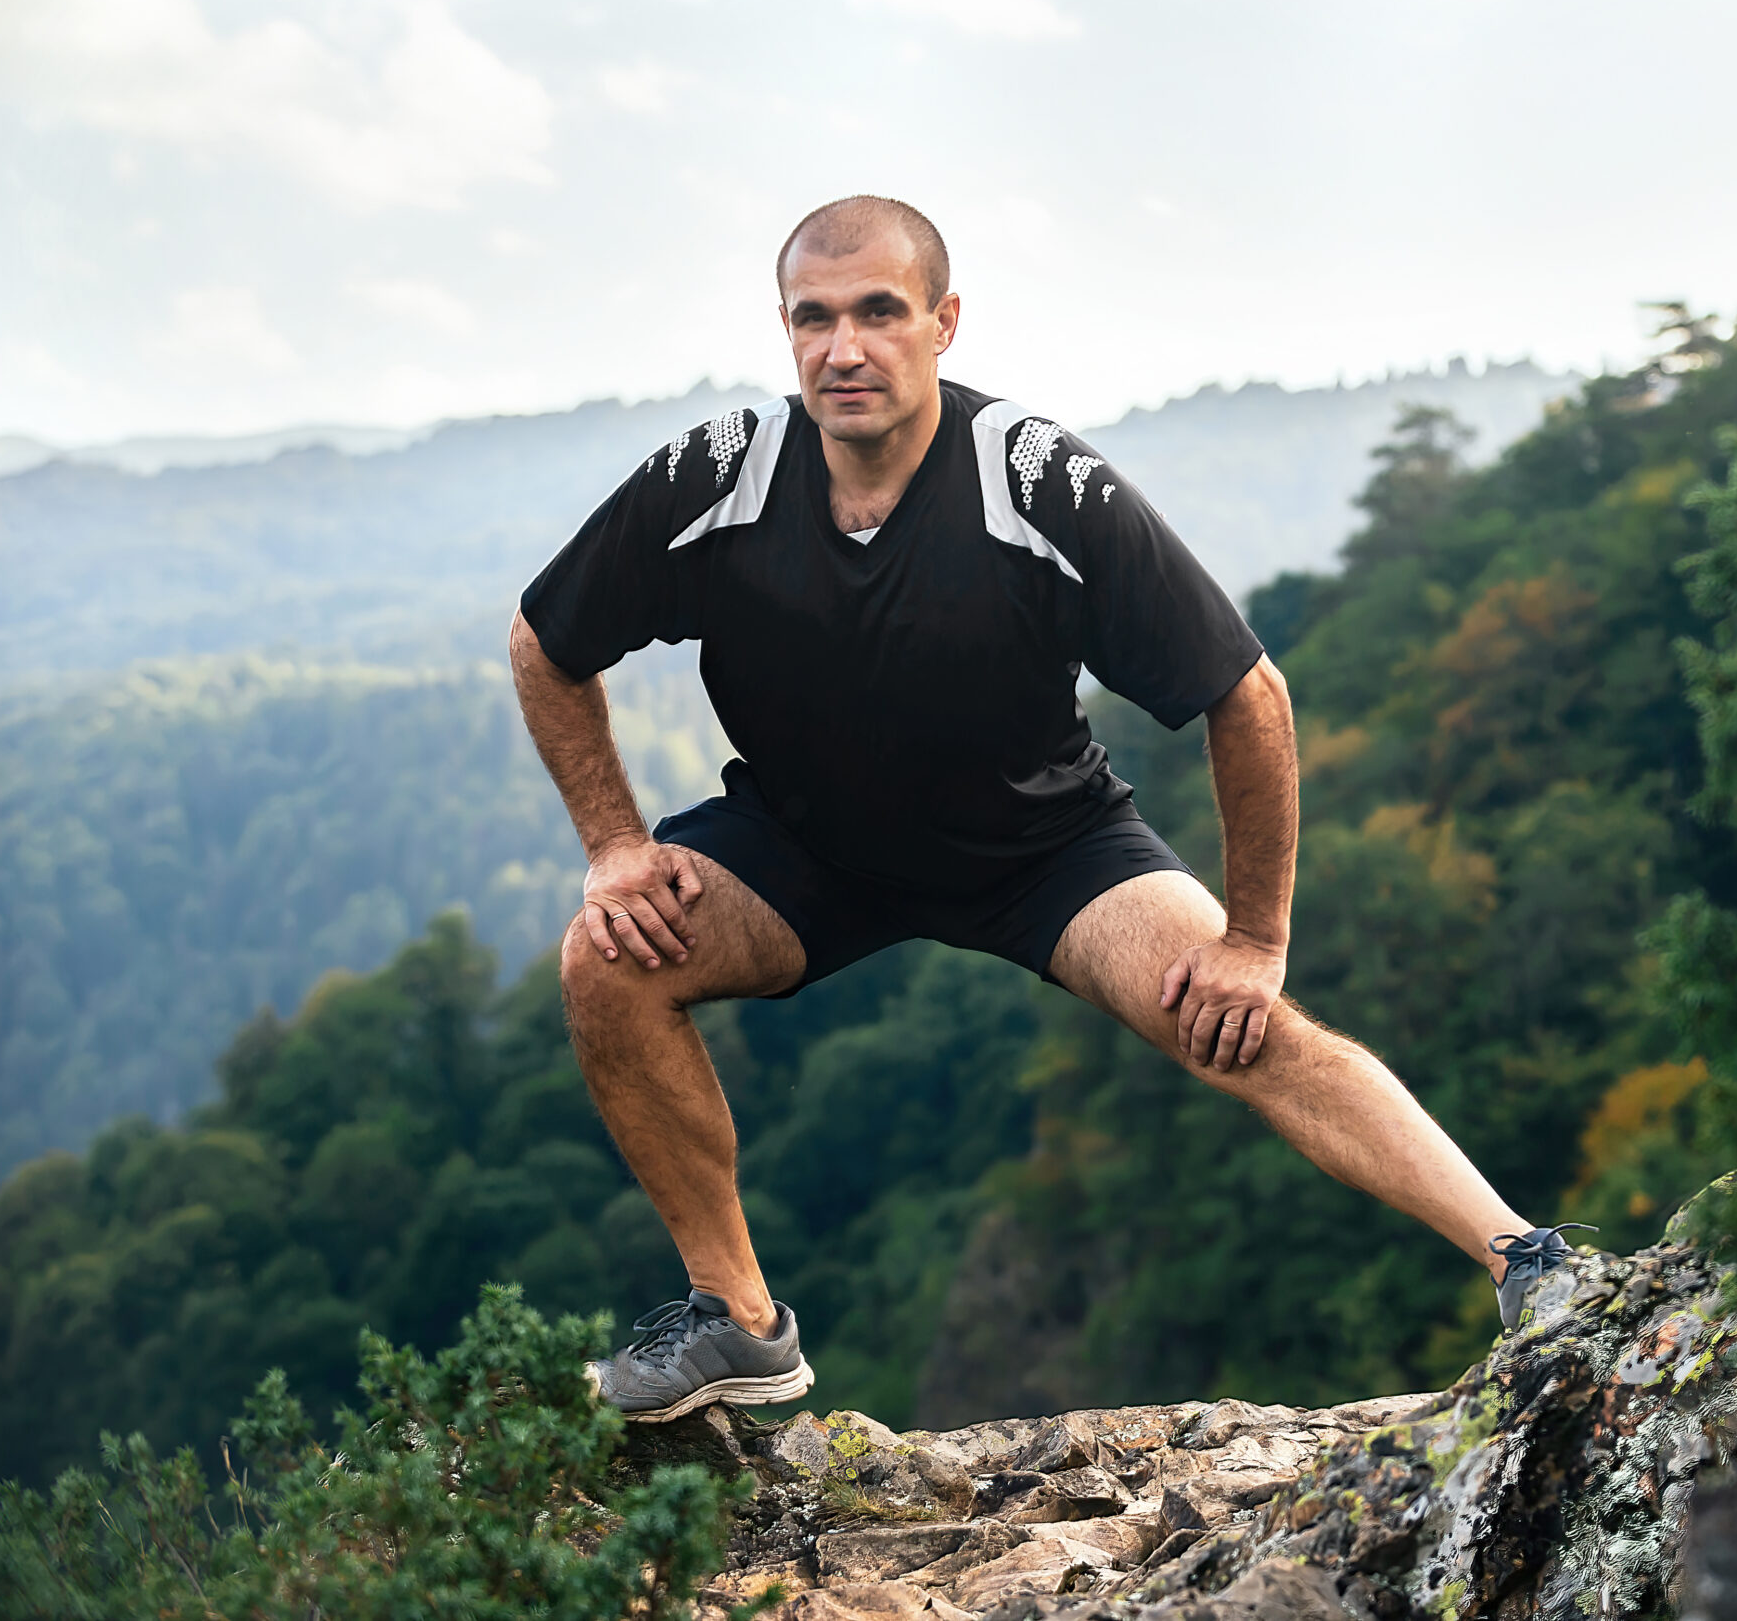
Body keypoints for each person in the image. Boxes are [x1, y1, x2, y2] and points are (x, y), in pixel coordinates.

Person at [510, 195, 1585, 1423]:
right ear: (785, 331)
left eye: (879, 314)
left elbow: (1250, 697)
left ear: (943, 323)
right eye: (814, 320)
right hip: (803, 845)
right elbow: (546, 643)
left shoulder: (1035, 482)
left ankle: (1529, 1265)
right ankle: (740, 1328)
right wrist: (613, 845)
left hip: (1043, 846)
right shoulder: (716, 479)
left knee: (1247, 1028)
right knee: (609, 960)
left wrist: (1255, 942)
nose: (843, 349)